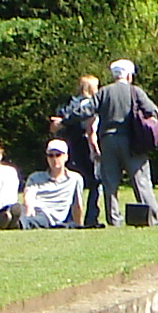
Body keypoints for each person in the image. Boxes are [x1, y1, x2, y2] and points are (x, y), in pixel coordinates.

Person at [94, 58, 158, 226]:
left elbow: (87, 110)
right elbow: (151, 110)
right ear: (128, 75)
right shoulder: (136, 92)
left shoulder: (103, 92)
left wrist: (64, 120)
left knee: (110, 183)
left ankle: (114, 220)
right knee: (141, 180)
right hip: (132, 142)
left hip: (108, 141)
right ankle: (152, 218)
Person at [50, 73, 104, 226]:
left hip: (69, 147)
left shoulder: (68, 105)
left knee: (71, 182)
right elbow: (90, 130)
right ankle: (91, 218)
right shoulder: (89, 105)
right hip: (84, 146)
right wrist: (96, 150)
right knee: (95, 183)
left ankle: (68, 217)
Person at [18, 140, 86, 229]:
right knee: (15, 209)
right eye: (51, 155)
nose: (54, 159)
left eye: (58, 155)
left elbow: (77, 205)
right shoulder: (35, 177)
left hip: (49, 216)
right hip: (31, 210)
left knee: (30, 221)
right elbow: (29, 196)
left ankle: (14, 222)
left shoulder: (75, 178)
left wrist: (79, 225)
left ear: (66, 157)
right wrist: (29, 207)